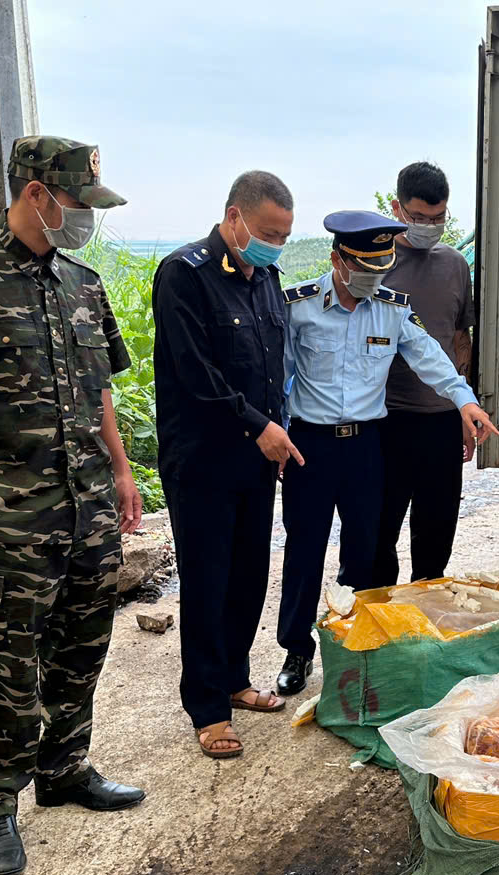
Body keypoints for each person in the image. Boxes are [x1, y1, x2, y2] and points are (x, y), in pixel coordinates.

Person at [0, 137, 146, 875]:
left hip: (88, 509)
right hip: (8, 511)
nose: (85, 220)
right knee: (5, 663)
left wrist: (123, 469)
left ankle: (65, 770)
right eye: (76, 204)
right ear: (37, 192)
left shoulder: (82, 282)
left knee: (81, 649)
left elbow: (101, 389)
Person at [274, 212, 499, 695]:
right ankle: (297, 649)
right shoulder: (300, 307)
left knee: (364, 553)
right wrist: (275, 432)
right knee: (304, 550)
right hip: (309, 447)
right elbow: (278, 375)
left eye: (382, 267)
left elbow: (431, 358)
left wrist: (465, 401)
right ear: (337, 260)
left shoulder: (393, 309)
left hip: (367, 446)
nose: (375, 278)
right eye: (365, 268)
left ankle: (357, 639)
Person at [152, 172, 303, 760]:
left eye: (285, 237)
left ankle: (235, 680)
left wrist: (277, 430)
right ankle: (207, 706)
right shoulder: (183, 275)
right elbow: (195, 374)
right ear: (234, 217)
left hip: (256, 457)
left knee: (247, 575)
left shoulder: (265, 278)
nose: (275, 246)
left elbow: (272, 370)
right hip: (204, 458)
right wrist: (260, 427)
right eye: (267, 233)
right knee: (208, 580)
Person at [373, 162, 474, 586]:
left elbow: (459, 336)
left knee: (435, 540)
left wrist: (464, 409)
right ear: (397, 208)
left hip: (441, 422)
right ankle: (380, 628)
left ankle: (423, 628)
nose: (429, 226)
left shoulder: (454, 265)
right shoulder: (375, 263)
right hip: (385, 421)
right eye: (419, 218)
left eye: (439, 219)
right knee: (377, 539)